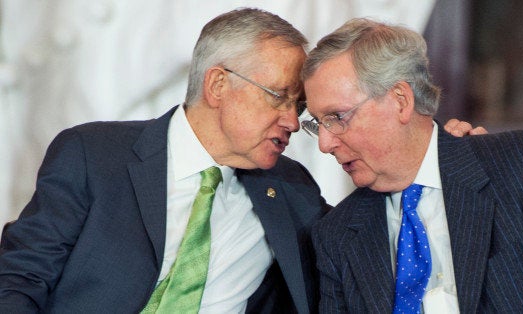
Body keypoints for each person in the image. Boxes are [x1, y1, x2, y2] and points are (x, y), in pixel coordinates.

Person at [0, 8, 480, 313]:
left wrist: (436, 156)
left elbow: (367, 241)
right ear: (217, 85)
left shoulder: (289, 190)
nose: (293, 123)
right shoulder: (92, 156)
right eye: (280, 98)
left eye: (299, 109)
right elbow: (19, 279)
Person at [302, 18, 523, 313]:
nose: (325, 143)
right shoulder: (337, 235)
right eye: (318, 123)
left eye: (337, 117)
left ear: (400, 101)